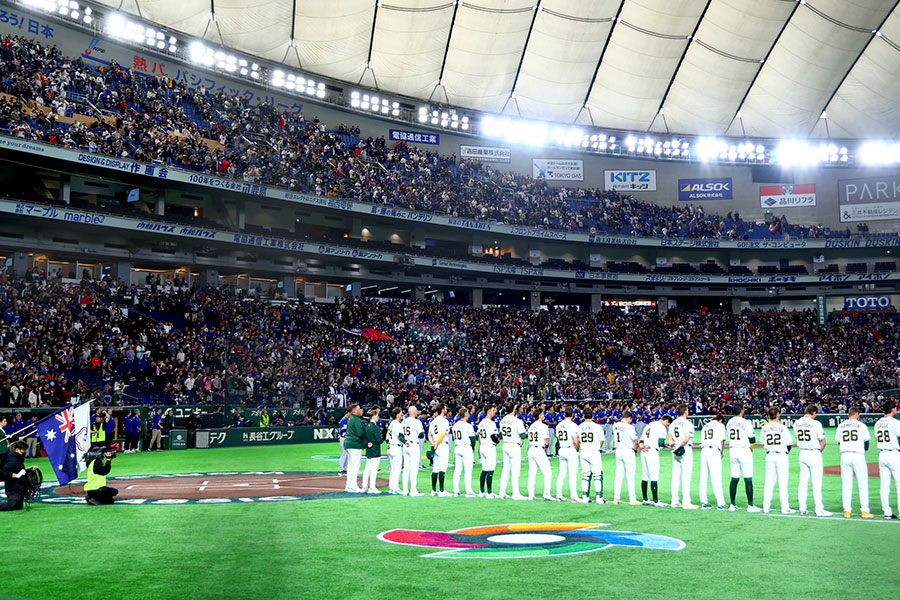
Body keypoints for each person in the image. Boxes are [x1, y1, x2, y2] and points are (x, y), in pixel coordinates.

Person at [794, 404, 832, 517]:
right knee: (816, 482)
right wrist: (819, 452)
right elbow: (823, 442)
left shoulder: (797, 423)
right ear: (814, 412)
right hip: (814, 452)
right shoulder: (816, 423)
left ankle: (802, 507)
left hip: (802, 452)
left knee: (803, 481)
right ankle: (819, 509)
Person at [837, 407, 874, 518]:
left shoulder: (841, 425)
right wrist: (863, 452)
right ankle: (864, 511)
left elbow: (839, 442)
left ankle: (847, 511)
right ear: (857, 414)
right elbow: (866, 442)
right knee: (862, 484)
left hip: (845, 455)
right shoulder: (861, 425)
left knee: (846, 484)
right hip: (858, 455)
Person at [726, 404, 760, 512]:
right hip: (744, 450)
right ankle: (750, 505)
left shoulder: (729, 422)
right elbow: (753, 440)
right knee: (748, 478)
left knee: (734, 478)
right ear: (742, 411)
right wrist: (751, 448)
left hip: (732, 450)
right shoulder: (746, 422)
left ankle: (732, 504)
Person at [761, 407, 795, 514]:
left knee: (769, 482)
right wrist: (785, 452)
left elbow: (763, 442)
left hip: (770, 455)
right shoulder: (782, 428)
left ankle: (766, 507)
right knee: (783, 482)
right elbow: (789, 443)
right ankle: (785, 507)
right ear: (778, 415)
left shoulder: (764, 428)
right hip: (781, 455)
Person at [874, 400, 900, 519]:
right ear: (891, 409)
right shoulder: (895, 422)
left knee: (884, 485)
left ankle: (887, 512)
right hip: (893, 454)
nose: (896, 409)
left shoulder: (877, 423)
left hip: (882, 455)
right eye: (895, 408)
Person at [669, 403, 697, 509]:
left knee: (675, 476)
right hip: (684, 449)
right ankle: (686, 502)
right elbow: (686, 438)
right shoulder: (687, 423)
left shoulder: (673, 423)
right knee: (686, 475)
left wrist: (674, 447)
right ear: (685, 411)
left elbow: (670, 438)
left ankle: (674, 500)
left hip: (675, 449)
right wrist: (680, 447)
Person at [699, 413, 727, 510]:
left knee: (704, 476)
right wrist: (721, 452)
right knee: (716, 476)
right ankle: (721, 502)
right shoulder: (720, 425)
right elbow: (722, 441)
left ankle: (704, 501)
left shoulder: (705, 426)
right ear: (720, 420)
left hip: (704, 450)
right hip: (713, 450)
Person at [498, 404, 526, 500]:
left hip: (505, 444)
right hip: (514, 445)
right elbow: (522, 435)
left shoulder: (503, 420)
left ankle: (502, 492)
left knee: (505, 469)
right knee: (515, 471)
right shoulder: (517, 421)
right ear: (514, 409)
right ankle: (516, 493)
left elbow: (500, 435)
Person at [526, 408, 554, 501]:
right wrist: (545, 450)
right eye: (542, 414)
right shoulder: (543, 426)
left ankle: (531, 494)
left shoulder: (531, 426)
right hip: (539, 449)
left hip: (531, 449)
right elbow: (547, 441)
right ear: (539, 416)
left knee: (532, 472)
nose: (543, 415)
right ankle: (546, 493)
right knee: (548, 472)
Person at [578, 407, 605, 504]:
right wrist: (597, 447)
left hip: (584, 451)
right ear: (592, 415)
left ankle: (585, 497)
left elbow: (578, 440)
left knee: (585, 475)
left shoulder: (580, 427)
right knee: (597, 475)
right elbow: (602, 441)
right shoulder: (597, 427)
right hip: (594, 451)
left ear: (584, 415)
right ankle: (599, 497)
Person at [612, 411, 640, 505]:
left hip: (618, 451)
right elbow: (636, 442)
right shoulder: (630, 427)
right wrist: (636, 451)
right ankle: (632, 499)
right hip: (628, 451)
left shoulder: (615, 425)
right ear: (629, 418)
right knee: (630, 475)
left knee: (619, 475)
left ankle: (616, 498)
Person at [555, 407, 580, 502]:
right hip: (570, 449)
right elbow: (575, 440)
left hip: (562, 449)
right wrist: (577, 449)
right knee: (573, 474)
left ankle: (559, 495)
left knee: (562, 473)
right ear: (572, 415)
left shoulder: (559, 425)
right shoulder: (573, 425)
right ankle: (574, 496)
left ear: (564, 414)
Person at [451, 407, 477, 498]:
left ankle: (455, 490)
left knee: (457, 470)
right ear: (466, 414)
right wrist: (473, 447)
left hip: (457, 447)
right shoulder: (468, 425)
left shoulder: (455, 425)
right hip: (466, 447)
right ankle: (469, 491)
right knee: (468, 470)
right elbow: (472, 438)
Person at [400, 406, 425, 496]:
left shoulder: (404, 421)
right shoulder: (417, 421)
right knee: (414, 469)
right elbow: (421, 435)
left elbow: (400, 435)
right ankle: (413, 490)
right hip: (414, 444)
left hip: (406, 445)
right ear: (415, 412)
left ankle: (405, 490)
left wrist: (405, 441)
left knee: (406, 469)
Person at [428, 404, 452, 497]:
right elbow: (442, 434)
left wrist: (433, 444)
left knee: (435, 468)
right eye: (445, 408)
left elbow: (429, 435)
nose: (446, 409)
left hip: (435, 445)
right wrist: (437, 444)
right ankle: (442, 490)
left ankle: (433, 490)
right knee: (442, 468)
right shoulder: (444, 421)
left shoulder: (433, 421)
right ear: (442, 410)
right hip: (441, 445)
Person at [0, 441, 30, 511]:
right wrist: (16, 475)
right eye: (23, 450)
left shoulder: (18, 458)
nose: (24, 452)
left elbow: (19, 469)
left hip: (19, 486)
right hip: (13, 487)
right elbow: (4, 471)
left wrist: (30, 469)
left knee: (19, 506)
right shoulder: (12, 459)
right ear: (17, 449)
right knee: (11, 506)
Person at [476, 406, 499, 498]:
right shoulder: (491, 423)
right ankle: (489, 492)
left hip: (482, 446)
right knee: (490, 469)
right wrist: (497, 441)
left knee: (484, 469)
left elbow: (477, 434)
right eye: (493, 410)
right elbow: (493, 437)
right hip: (489, 446)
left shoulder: (482, 422)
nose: (495, 412)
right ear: (489, 411)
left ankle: (482, 491)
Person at [344, 404, 366, 493]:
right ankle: (353, 485)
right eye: (360, 409)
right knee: (355, 466)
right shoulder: (356, 420)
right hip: (355, 445)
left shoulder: (351, 418)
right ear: (356, 411)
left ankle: (349, 485)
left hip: (349, 444)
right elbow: (360, 433)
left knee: (351, 466)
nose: (361, 410)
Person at [361, 409, 382, 494]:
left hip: (369, 450)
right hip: (375, 450)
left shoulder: (367, 426)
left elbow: (364, 439)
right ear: (374, 416)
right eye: (377, 416)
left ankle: (364, 486)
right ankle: (372, 487)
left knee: (367, 469)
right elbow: (379, 440)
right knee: (373, 469)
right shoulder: (375, 427)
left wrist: (367, 443)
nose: (378, 417)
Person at [386, 408, 404, 495]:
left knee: (393, 469)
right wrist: (406, 442)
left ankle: (391, 487)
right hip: (396, 447)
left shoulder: (391, 423)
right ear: (397, 414)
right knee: (397, 469)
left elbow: (387, 437)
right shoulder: (397, 424)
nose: (402, 414)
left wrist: (388, 443)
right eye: (401, 413)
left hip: (390, 447)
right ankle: (395, 488)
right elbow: (400, 436)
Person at [338, 410, 351, 476]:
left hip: (345, 438)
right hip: (343, 438)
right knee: (344, 454)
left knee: (346, 454)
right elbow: (343, 430)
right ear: (348, 413)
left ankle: (345, 469)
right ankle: (341, 469)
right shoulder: (344, 419)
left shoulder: (346, 419)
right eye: (350, 413)